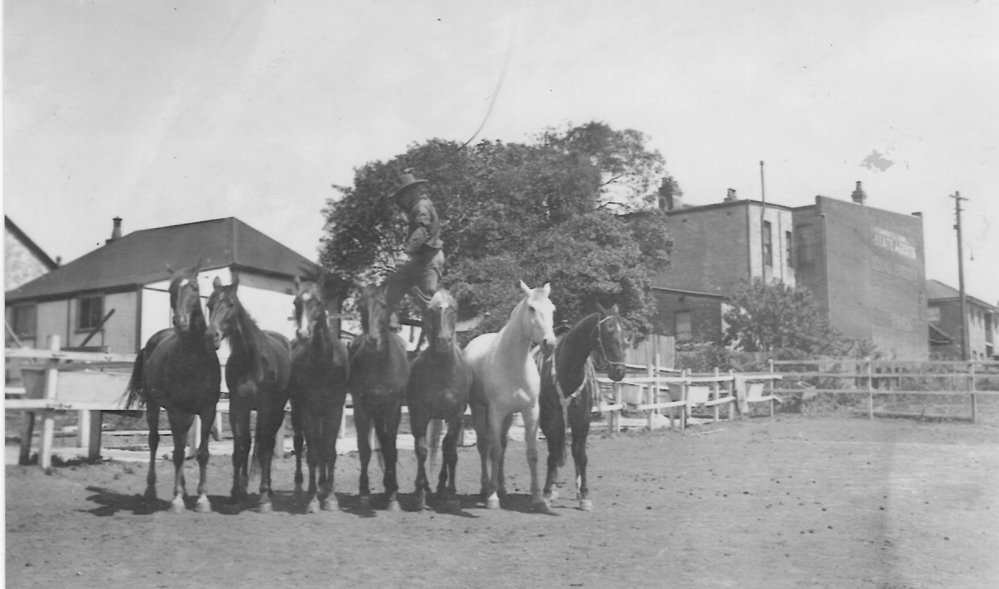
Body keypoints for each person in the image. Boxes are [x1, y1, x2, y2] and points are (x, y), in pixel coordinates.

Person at [384, 168, 444, 321]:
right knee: (396, 281)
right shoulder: (419, 206)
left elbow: (421, 231)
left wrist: (406, 252)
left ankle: (437, 342)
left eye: (402, 196)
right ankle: (391, 321)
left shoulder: (420, 207)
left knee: (428, 303)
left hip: (429, 260)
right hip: (420, 260)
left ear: (410, 193)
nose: (401, 201)